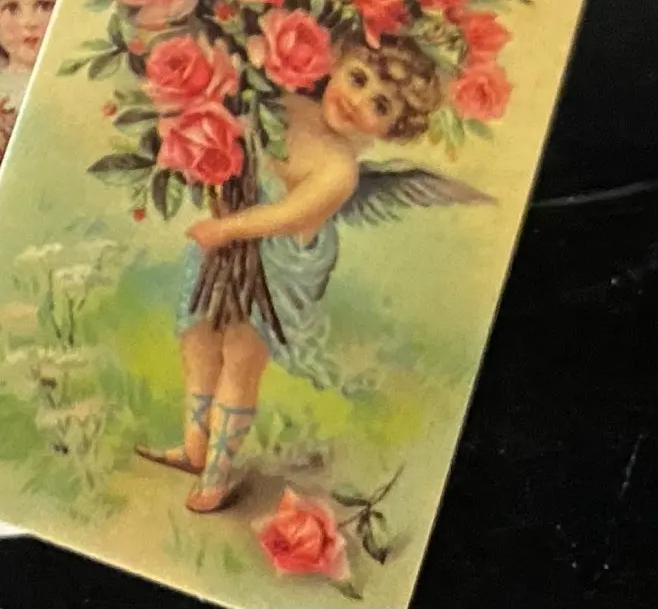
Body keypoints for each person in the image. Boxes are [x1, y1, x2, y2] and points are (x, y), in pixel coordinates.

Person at [142, 35, 452, 514]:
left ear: (393, 129)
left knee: (240, 355)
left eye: (380, 105)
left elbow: (284, 217)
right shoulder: (286, 104)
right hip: (227, 240)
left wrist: (224, 229)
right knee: (198, 336)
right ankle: (193, 447)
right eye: (357, 78)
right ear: (336, 62)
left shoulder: (339, 170)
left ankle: (217, 475)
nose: (357, 101)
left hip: (277, 263)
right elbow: (235, 137)